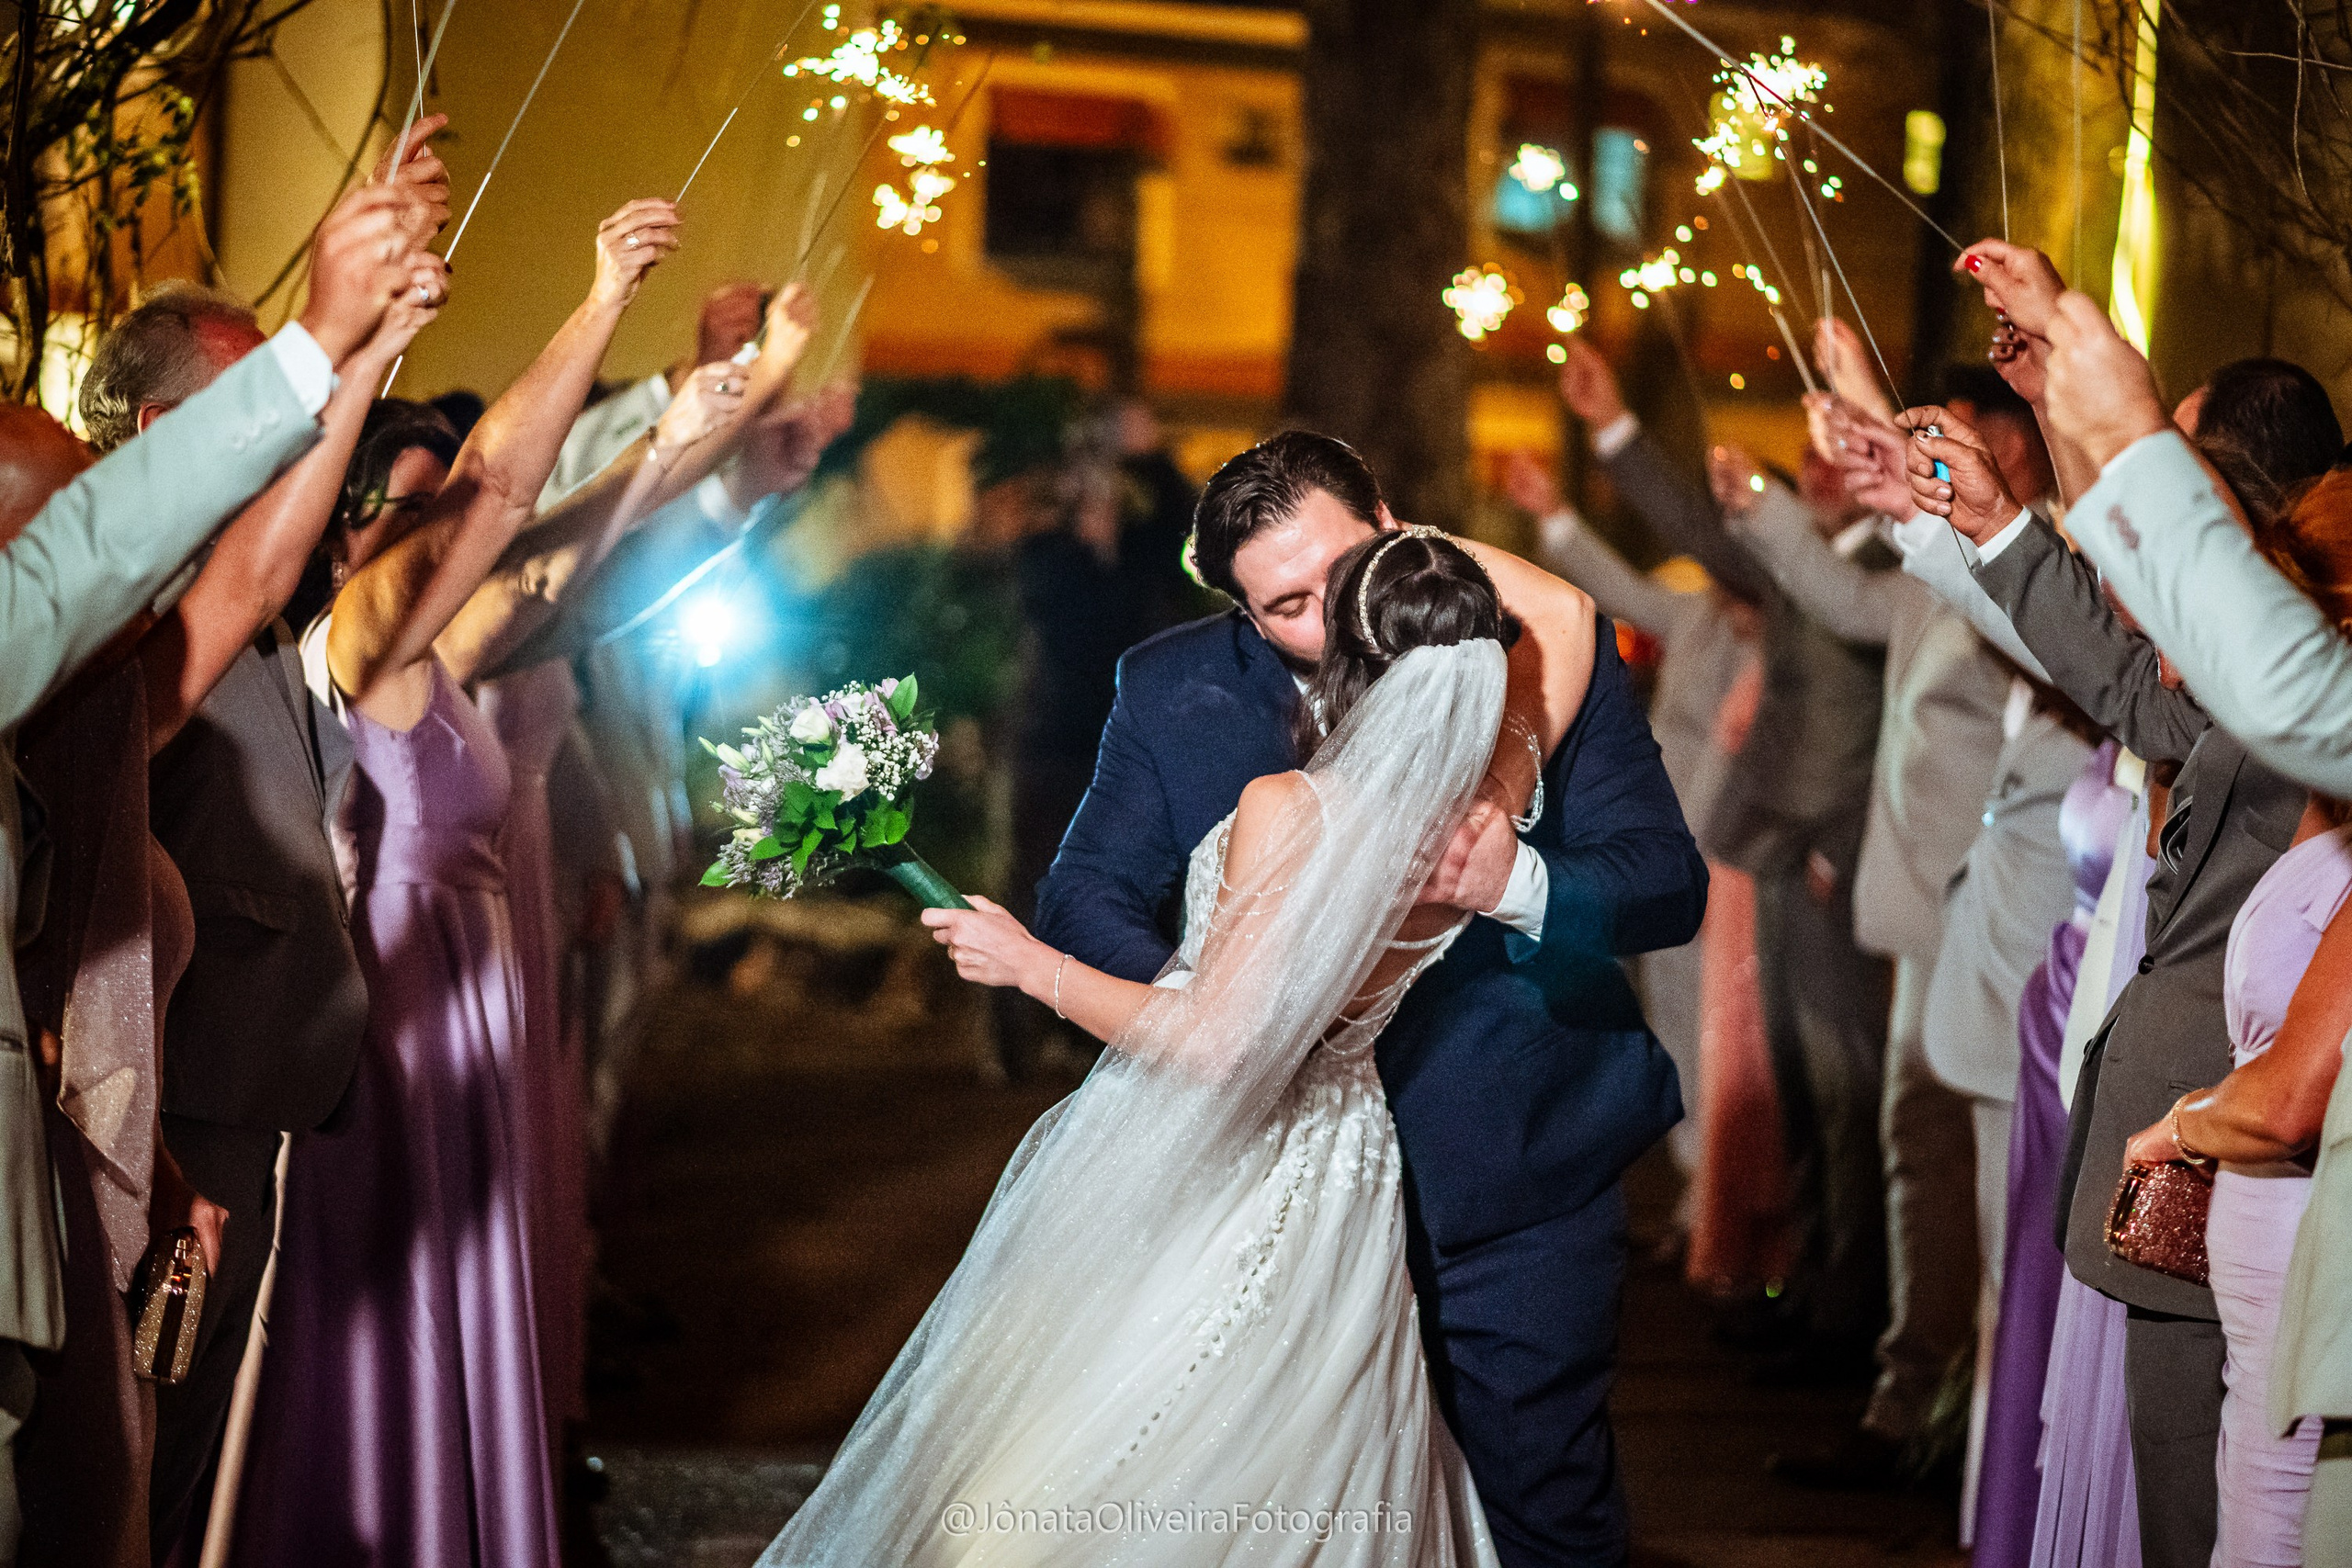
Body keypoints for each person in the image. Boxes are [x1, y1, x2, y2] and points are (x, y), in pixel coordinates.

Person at [754, 520, 1628, 1565]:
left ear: (1346, 663)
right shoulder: (1489, 815)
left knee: (1084, 1479)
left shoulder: (1291, 810)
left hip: (1225, 1171)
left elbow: (1220, 1047)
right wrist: (1393, 542)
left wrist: (1029, 966)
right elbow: (1570, 615)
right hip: (1346, 1176)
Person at [226, 199, 804, 1563]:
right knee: (387, 1353)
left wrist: (685, 438)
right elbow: (498, 489)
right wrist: (602, 296)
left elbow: (576, 563)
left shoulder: (465, 651)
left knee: (471, 1338)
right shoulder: (357, 637)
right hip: (392, 1059)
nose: (448, 530)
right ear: (348, 520)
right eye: (406, 506)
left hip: (467, 1042)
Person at [1031, 431, 1705, 1562]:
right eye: (1286, 605)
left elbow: (1662, 884)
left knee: (1543, 1501)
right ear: (1244, 614)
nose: (1328, 617)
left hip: (1509, 1170)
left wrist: (1520, 881)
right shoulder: (1169, 686)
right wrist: (1221, 1024)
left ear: (1394, 527)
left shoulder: (1525, 649)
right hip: (1263, 1188)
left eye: (1345, 573)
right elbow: (1085, 890)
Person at [1909, 337, 2328, 1568]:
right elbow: (2128, 688)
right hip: (2179, 1162)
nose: (2134, 582)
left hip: (2233, 1171)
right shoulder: (2229, 699)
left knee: (2212, 1512)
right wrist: (1993, 524)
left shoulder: (2304, 717)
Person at [1552, 339, 1894, 1416]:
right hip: (1771, 847)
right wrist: (1615, 433)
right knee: (1803, 1088)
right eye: (1813, 453)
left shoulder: (1888, 563)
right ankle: (1814, 1294)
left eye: (1838, 449)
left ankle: (1846, 1312)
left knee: (1846, 1094)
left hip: (1836, 857)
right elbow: (1702, 537)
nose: (1820, 467)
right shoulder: (1799, 564)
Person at [1500, 450, 1770, 1279]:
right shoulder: (1693, 614)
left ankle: (1718, 1208)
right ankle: (1694, 1186)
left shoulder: (1785, 634)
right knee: (1676, 1015)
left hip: (1738, 860)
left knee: (1726, 1033)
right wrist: (1553, 514)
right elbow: (1613, 590)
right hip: (1669, 844)